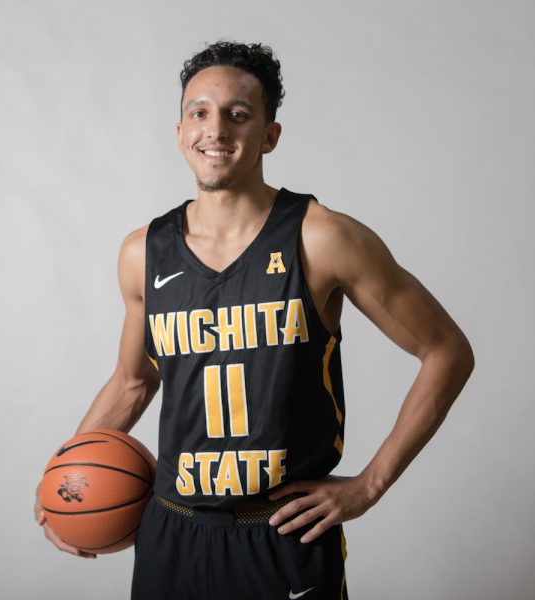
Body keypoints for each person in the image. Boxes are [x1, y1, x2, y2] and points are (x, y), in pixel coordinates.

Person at [35, 41, 474, 599]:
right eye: (199, 112)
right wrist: (65, 479)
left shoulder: (323, 238)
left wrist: (370, 485)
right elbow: (132, 382)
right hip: (171, 530)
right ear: (180, 132)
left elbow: (446, 352)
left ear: (269, 135)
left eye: (237, 114)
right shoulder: (143, 252)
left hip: (281, 534)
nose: (215, 129)